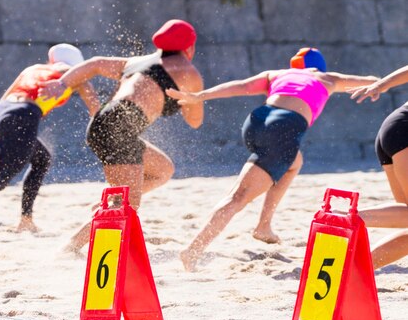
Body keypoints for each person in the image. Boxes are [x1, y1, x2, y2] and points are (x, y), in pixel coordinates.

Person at [167, 47, 379, 271]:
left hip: (256, 122)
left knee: (294, 162)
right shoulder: (326, 77)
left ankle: (263, 226)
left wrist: (200, 96)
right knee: (238, 198)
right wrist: (378, 86)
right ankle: (193, 250)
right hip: (283, 129)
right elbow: (370, 81)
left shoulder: (277, 74)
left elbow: (241, 86)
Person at [40, 19, 204, 254]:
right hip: (119, 127)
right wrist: (191, 99)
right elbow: (195, 121)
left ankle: (112, 201)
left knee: (163, 170)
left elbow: (95, 64)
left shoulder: (140, 62)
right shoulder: (188, 72)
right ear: (190, 48)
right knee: (129, 206)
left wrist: (61, 84)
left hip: (107, 122)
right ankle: (71, 246)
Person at [0, 43, 100, 233]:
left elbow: (1, 104)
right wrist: (100, 120)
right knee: (0, 178)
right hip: (22, 116)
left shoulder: (33, 69)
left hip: (1, 113)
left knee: (41, 159)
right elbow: (94, 106)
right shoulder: (74, 75)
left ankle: (26, 220)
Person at [350, 64, 408, 268]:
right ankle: (345, 220)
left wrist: (382, 84)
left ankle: (356, 268)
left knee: (407, 219)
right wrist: (382, 84)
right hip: (404, 132)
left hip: (395, 129)